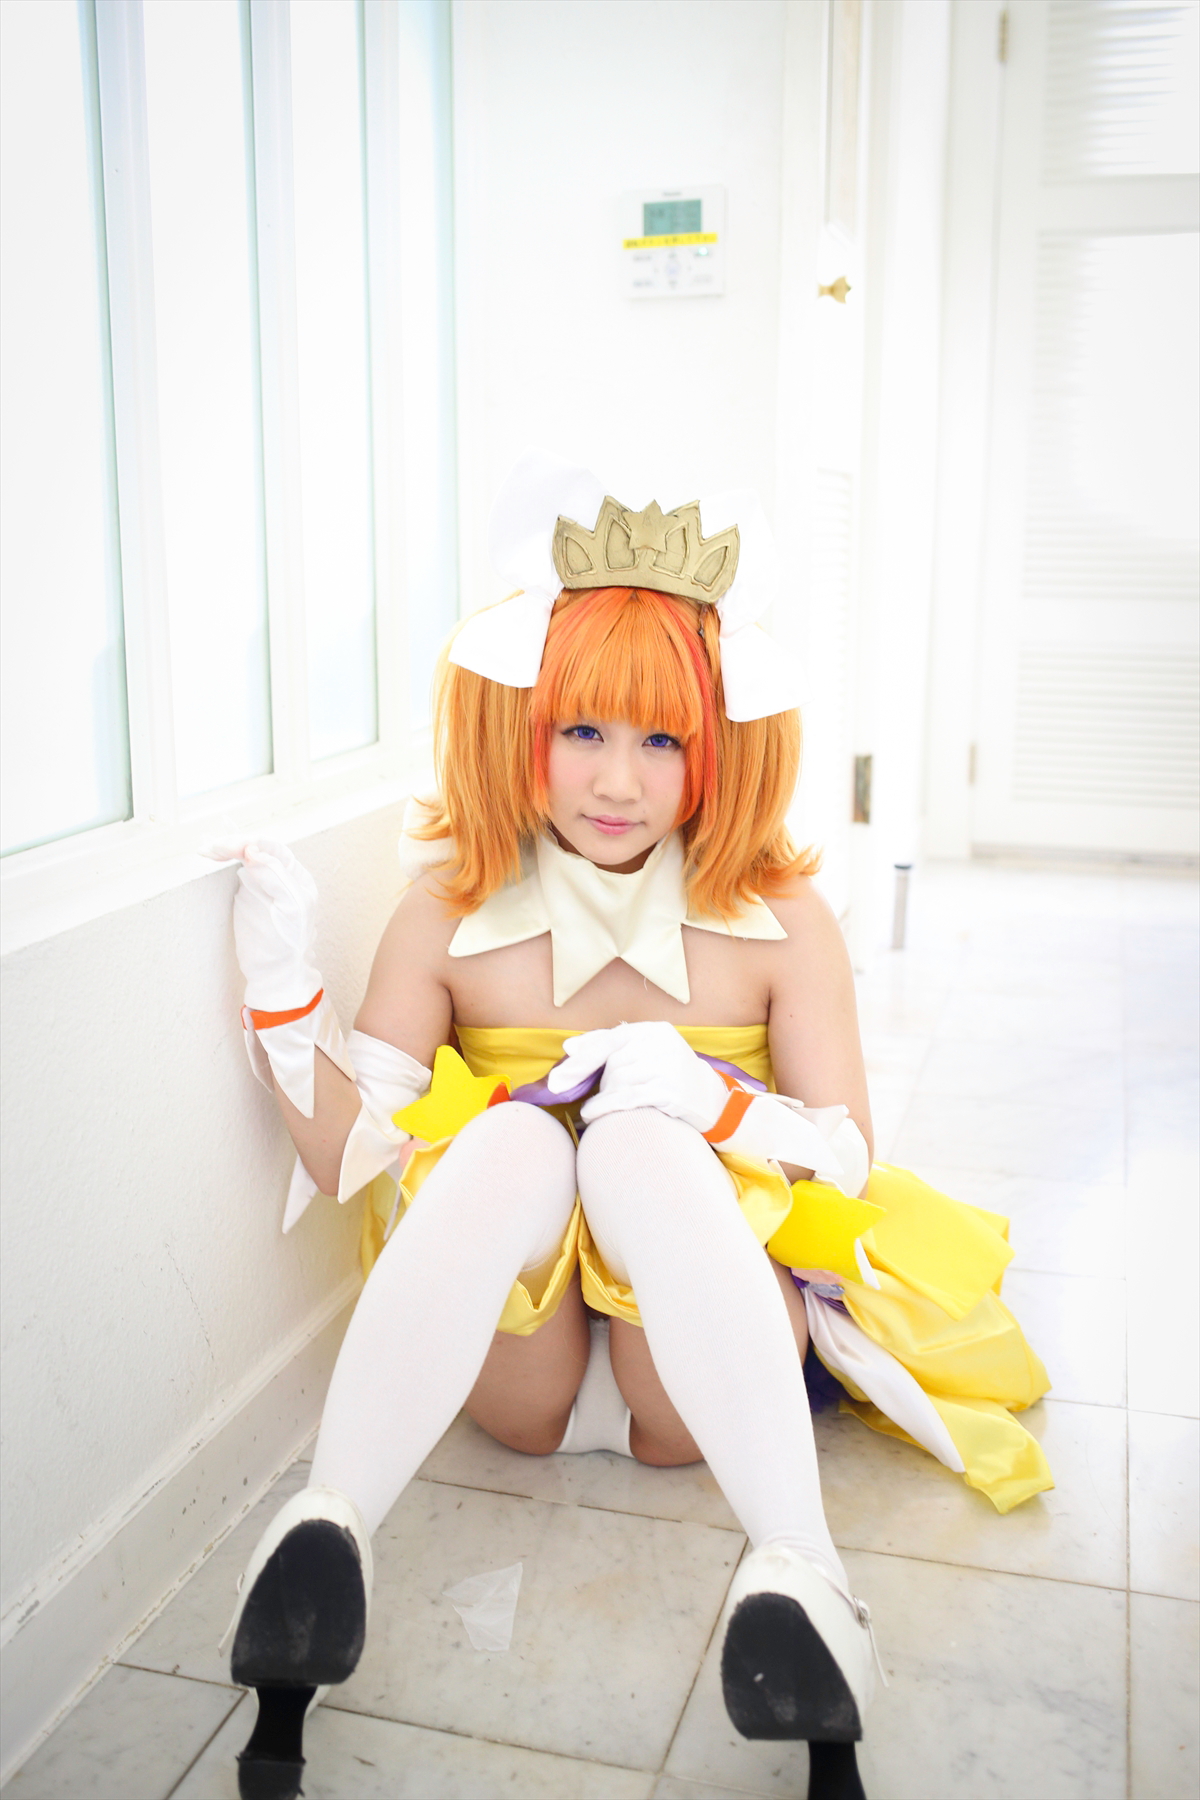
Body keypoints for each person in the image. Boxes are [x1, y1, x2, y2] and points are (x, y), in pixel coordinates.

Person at [215, 453, 1051, 1800]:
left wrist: (713, 1101)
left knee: (637, 1141)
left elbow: (848, 1159)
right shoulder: (446, 909)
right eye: (583, 731)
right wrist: (280, 991)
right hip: (519, 1375)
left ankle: (803, 1574)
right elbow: (346, 1155)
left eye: (664, 739)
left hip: (697, 1379)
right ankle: (328, 1530)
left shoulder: (783, 922)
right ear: (521, 727)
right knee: (514, 1141)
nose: (618, 781)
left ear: (721, 749)